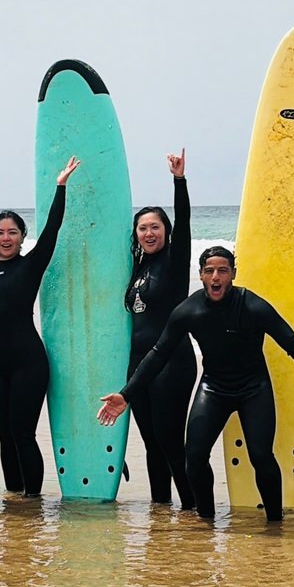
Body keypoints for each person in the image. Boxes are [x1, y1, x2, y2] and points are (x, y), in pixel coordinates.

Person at [99, 246, 294, 523]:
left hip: (253, 388)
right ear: (201, 275)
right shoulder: (188, 311)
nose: (215, 277)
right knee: (194, 456)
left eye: (222, 270)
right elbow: (158, 355)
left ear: (233, 273)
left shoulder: (253, 306)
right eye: (209, 271)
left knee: (261, 456)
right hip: (213, 388)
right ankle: (206, 520)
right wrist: (126, 395)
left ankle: (275, 523)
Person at [0, 156, 79, 496]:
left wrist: (60, 187)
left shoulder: (30, 265)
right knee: (5, 437)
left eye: (13, 232)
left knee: (23, 434)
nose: (6, 238)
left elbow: (52, 230)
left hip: (28, 364)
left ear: (22, 237)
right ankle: (14, 503)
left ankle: (32, 502)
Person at [125, 149, 195, 508]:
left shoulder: (173, 260)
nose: (149, 233)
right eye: (143, 228)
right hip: (139, 365)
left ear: (166, 231)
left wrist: (178, 181)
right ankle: (160, 511)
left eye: (155, 227)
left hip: (171, 362)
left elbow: (184, 221)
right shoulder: (138, 267)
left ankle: (194, 511)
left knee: (170, 443)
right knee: (151, 444)